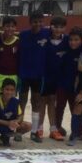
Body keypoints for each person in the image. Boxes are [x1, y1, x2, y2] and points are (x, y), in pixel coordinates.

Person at [18, 11, 49, 141]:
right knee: (22, 102)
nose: (38, 24)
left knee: (36, 102)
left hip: (39, 75)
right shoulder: (23, 35)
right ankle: (19, 130)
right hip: (24, 74)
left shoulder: (47, 33)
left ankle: (34, 131)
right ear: (30, 23)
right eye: (35, 22)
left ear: (43, 22)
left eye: (40, 21)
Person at [55, 27, 82, 140]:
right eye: (71, 39)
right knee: (59, 107)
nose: (73, 42)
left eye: (76, 40)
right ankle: (57, 128)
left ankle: (80, 131)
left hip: (76, 86)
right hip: (62, 84)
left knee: (76, 107)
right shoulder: (64, 47)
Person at [39, 15, 67, 141]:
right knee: (42, 101)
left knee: (52, 101)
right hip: (44, 76)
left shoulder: (67, 40)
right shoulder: (45, 37)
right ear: (51, 27)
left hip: (58, 77)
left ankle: (53, 129)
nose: (58, 29)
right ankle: (39, 127)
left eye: (61, 27)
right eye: (55, 26)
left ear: (64, 28)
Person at [0, 78, 32, 146]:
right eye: (7, 89)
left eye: (12, 90)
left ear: (15, 91)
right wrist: (7, 123)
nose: (9, 92)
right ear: (2, 89)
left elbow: (20, 116)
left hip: (9, 127)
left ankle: (6, 137)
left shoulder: (16, 102)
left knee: (28, 125)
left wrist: (15, 122)